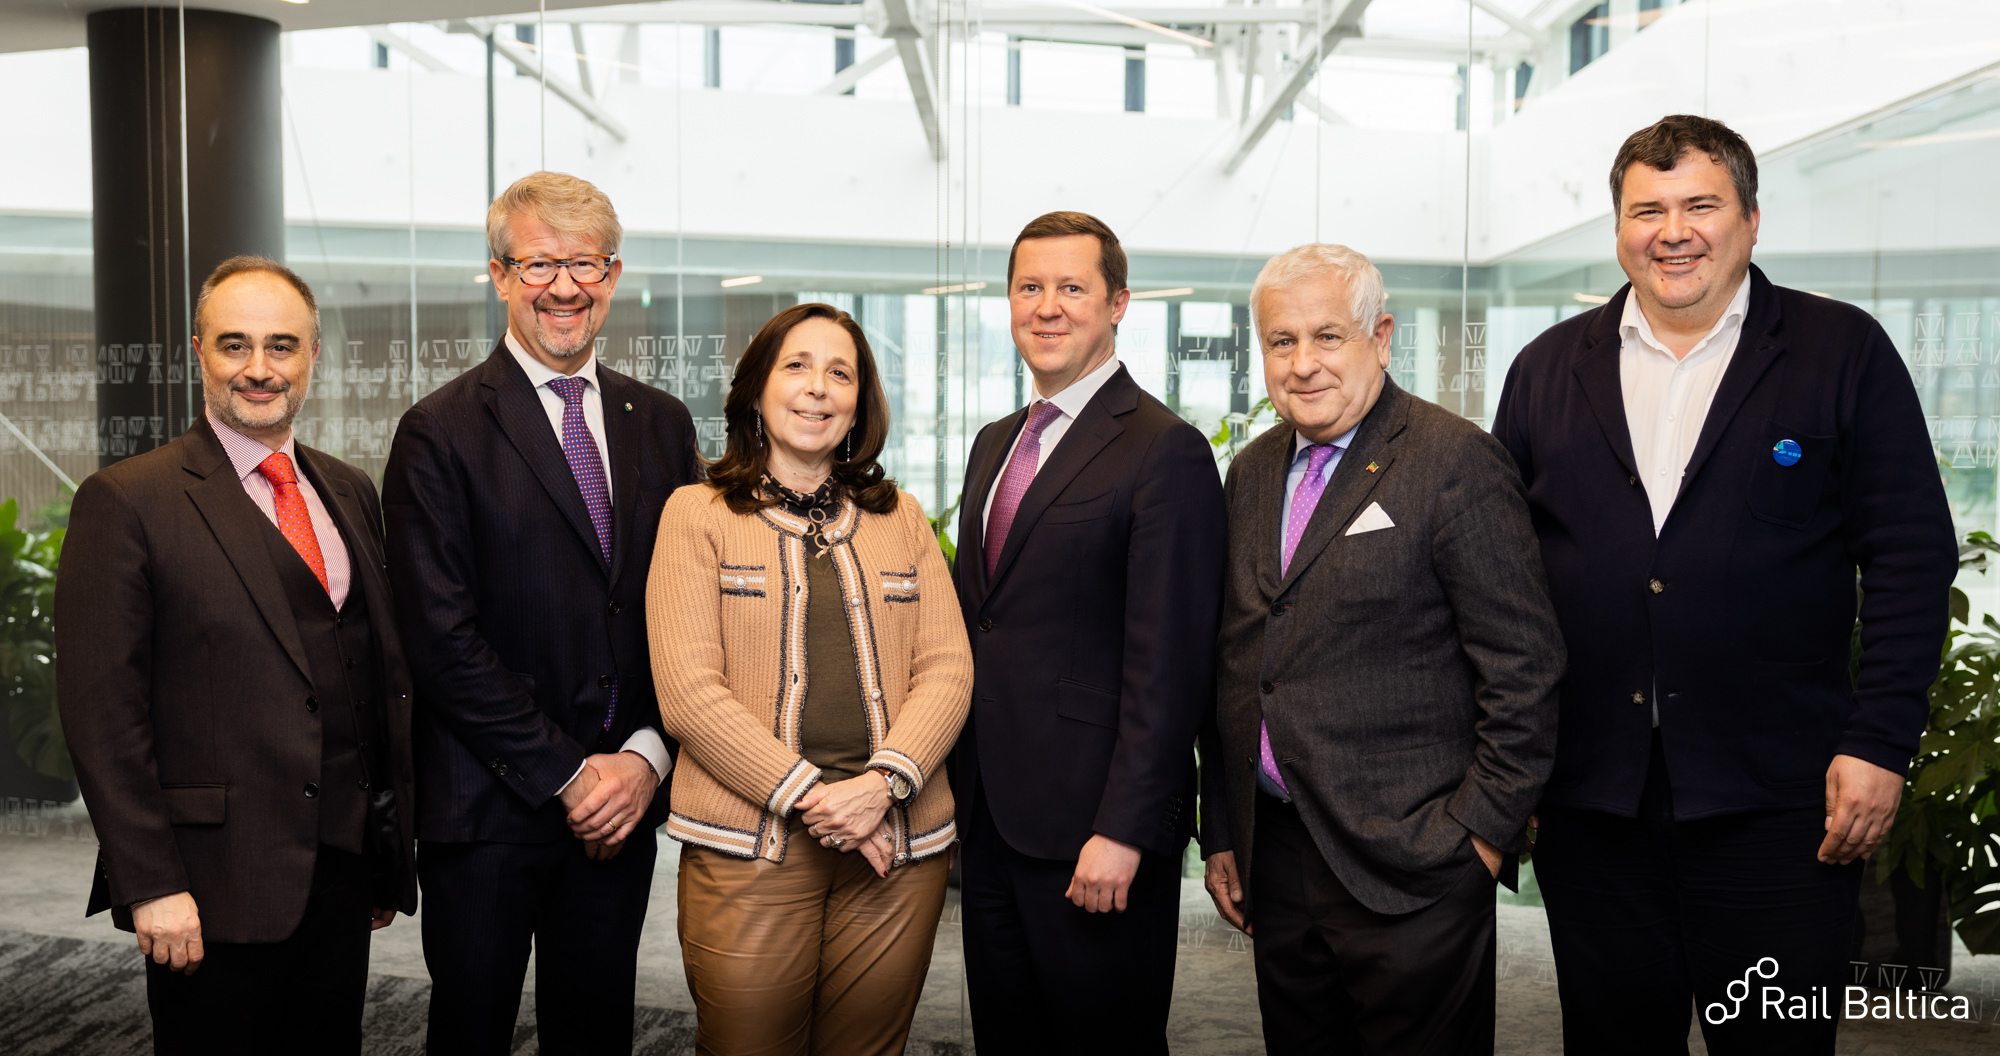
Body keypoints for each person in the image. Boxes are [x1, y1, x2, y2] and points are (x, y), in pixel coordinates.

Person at [1491, 115, 1957, 1054]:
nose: (1674, 232)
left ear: (1750, 219)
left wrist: (1879, 742)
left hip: (1781, 804)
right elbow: (1500, 584)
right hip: (1594, 800)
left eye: (1700, 205)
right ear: (1618, 229)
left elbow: (1911, 556)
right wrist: (1512, 767)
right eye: (1647, 211)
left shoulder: (1841, 350)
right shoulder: (1547, 368)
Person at [1197, 243, 1564, 1054]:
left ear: (1382, 337)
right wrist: (1223, 827)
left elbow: (1525, 669)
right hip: (1277, 858)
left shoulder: (1453, 460)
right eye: (1282, 341)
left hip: (1416, 865)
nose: (1303, 363)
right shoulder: (1251, 473)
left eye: (1328, 336)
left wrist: (1477, 837)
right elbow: (1236, 662)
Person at [55, 256, 417, 1055]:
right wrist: (150, 883)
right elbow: (102, 715)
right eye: (234, 345)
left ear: (313, 354)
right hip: (208, 884)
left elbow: (368, 673)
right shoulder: (128, 500)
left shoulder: (349, 489)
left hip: (342, 873)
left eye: (281, 345)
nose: (259, 368)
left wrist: (382, 854)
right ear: (198, 352)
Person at [382, 171, 702, 1055]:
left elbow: (686, 615)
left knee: (597, 1033)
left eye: (585, 264)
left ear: (614, 274)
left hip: (623, 806)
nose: (564, 286)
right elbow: (440, 640)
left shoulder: (663, 424)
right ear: (499, 275)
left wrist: (643, 759)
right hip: (488, 811)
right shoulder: (438, 432)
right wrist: (570, 775)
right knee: (471, 1033)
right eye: (538, 265)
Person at [646, 302, 972, 1055]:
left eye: (840, 373)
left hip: (896, 848)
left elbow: (948, 669)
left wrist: (880, 787)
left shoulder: (902, 517)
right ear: (757, 390)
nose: (818, 388)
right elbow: (689, 694)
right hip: (751, 849)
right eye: (796, 366)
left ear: (860, 403)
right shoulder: (697, 514)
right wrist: (821, 801)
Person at [950, 211, 1227, 1054]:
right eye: (1029, 287)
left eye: (1072, 287)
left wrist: (1125, 830)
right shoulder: (995, 444)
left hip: (1094, 832)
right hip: (991, 821)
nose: (1048, 307)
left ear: (1118, 304)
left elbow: (1170, 665)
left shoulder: (1164, 449)